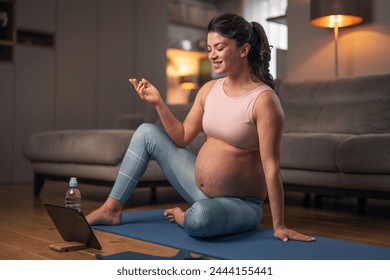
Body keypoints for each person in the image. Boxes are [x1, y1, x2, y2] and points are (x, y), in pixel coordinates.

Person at [86, 13, 315, 242]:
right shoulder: (208, 90)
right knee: (147, 132)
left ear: (244, 50)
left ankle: (185, 217)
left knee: (201, 219)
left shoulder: (264, 100)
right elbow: (183, 136)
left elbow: (271, 168)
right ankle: (111, 208)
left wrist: (279, 224)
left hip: (241, 204)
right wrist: (158, 103)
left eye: (220, 47)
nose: (212, 55)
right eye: (209, 48)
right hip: (197, 188)